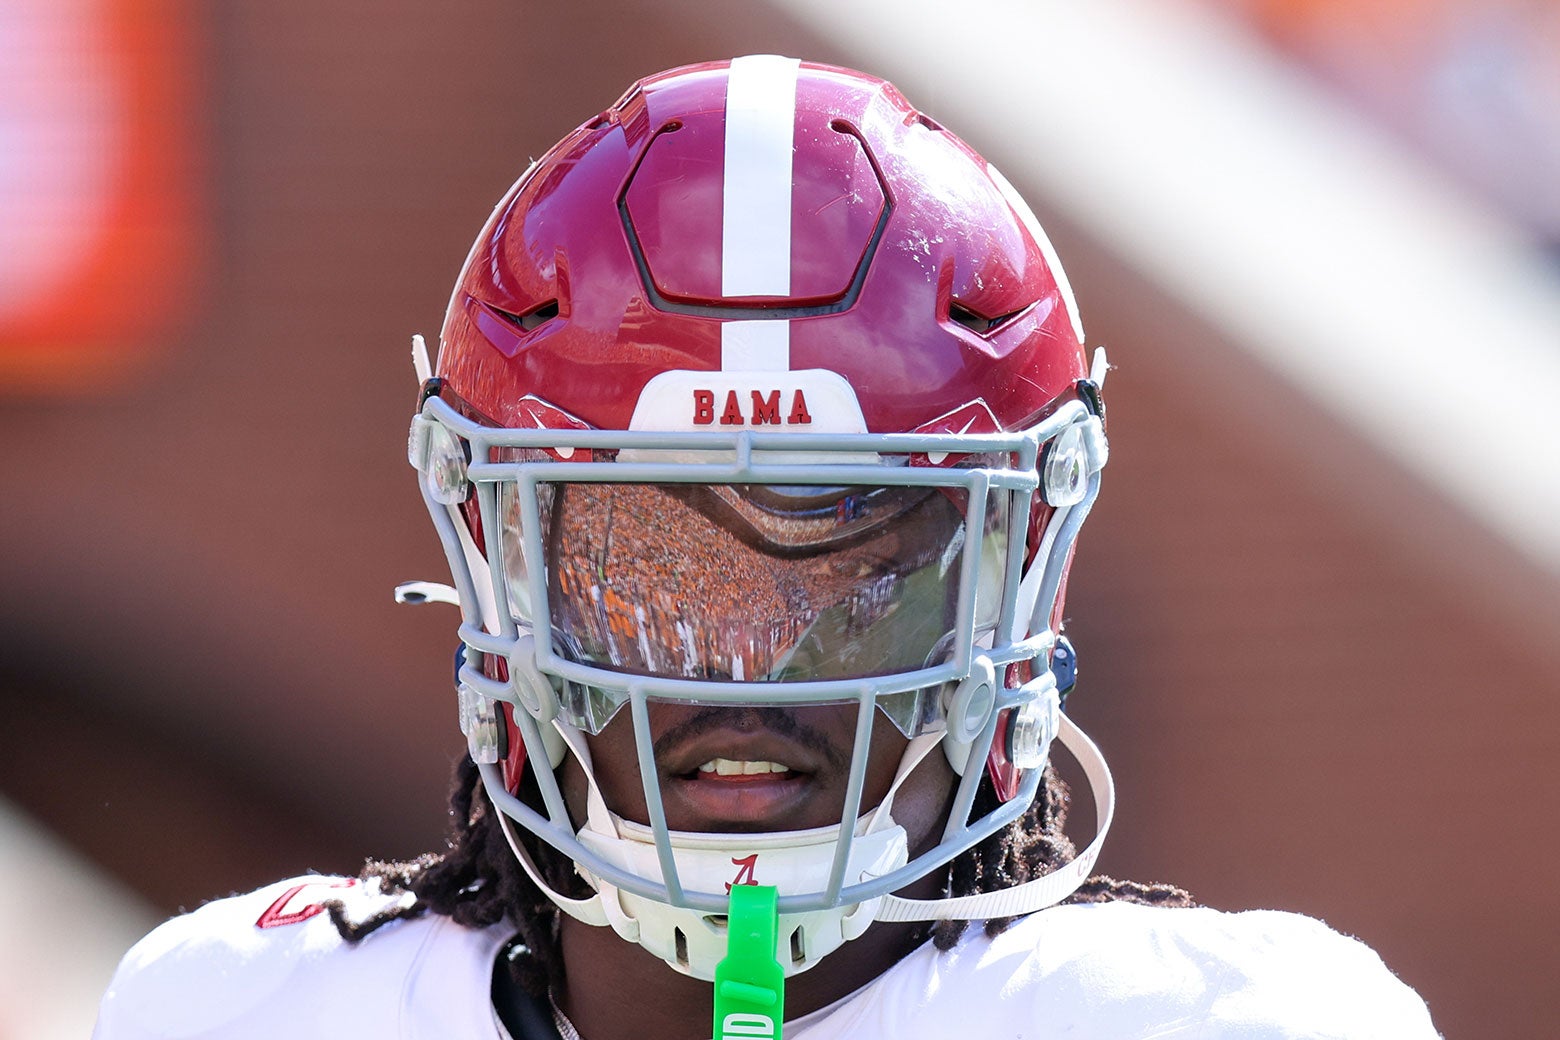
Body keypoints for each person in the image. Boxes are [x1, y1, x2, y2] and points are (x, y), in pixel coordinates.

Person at [93, 56, 1439, 1039]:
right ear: (504, 569)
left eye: (857, 571)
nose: (751, 678)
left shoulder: (1223, 1023)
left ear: (1009, 582)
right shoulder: (241, 1011)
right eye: (658, 567)